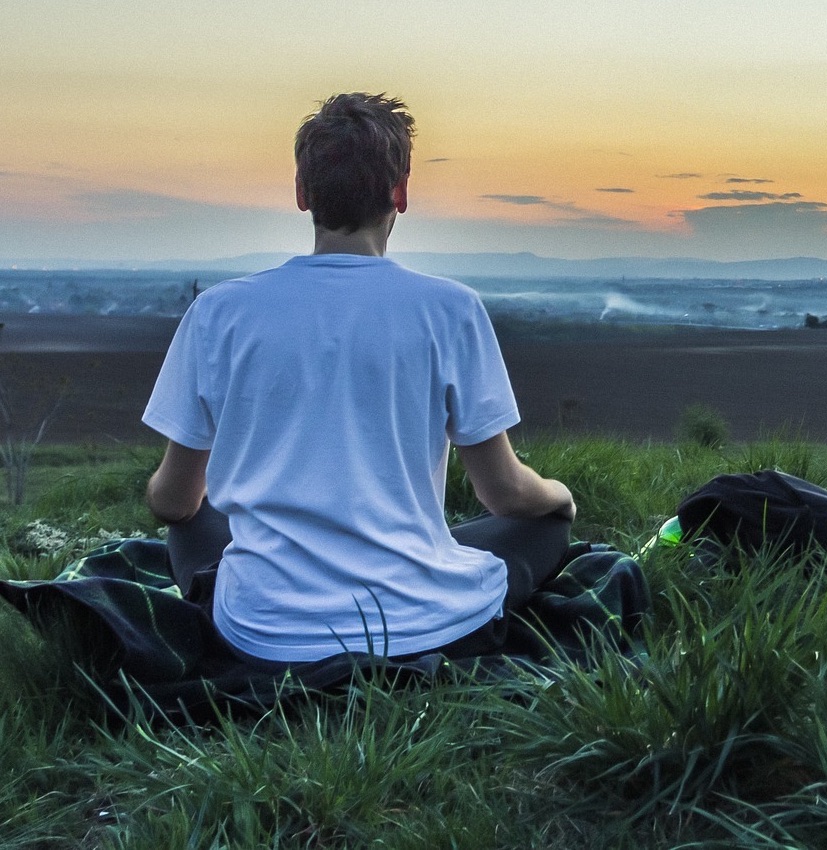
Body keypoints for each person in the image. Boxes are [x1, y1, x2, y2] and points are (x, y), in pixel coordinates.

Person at [142, 92, 575, 669]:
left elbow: (172, 501)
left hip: (264, 633)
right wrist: (559, 497)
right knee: (542, 527)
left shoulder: (219, 313)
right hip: (423, 625)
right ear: (400, 192)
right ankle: (425, 571)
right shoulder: (450, 309)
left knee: (192, 518)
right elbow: (505, 495)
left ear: (302, 193)